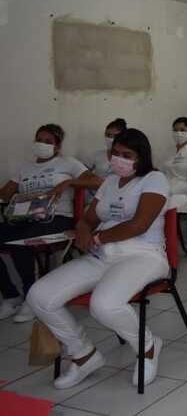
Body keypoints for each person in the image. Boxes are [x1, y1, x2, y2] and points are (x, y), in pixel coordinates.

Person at [26, 129, 172, 389]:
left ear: (141, 157)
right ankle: (84, 355)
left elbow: (138, 225)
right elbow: (88, 219)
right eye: (115, 153)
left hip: (143, 255)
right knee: (40, 295)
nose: (119, 159)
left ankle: (148, 347)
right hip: (102, 255)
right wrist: (83, 232)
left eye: (127, 155)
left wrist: (96, 238)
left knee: (104, 304)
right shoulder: (109, 181)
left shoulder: (154, 179)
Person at [0, 124, 99, 323]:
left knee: (19, 237)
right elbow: (4, 194)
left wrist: (68, 183)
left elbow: (97, 182)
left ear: (57, 146)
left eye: (48, 141)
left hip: (57, 219)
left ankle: (31, 296)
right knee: (14, 233)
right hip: (26, 218)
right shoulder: (24, 168)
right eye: (39, 140)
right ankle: (11, 296)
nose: (42, 144)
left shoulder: (68, 163)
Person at [161, 117, 187, 209]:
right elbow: (162, 174)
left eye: (182, 130)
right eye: (175, 130)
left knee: (163, 206)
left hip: (183, 194)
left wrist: (170, 191)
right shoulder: (168, 150)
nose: (178, 133)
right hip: (165, 190)